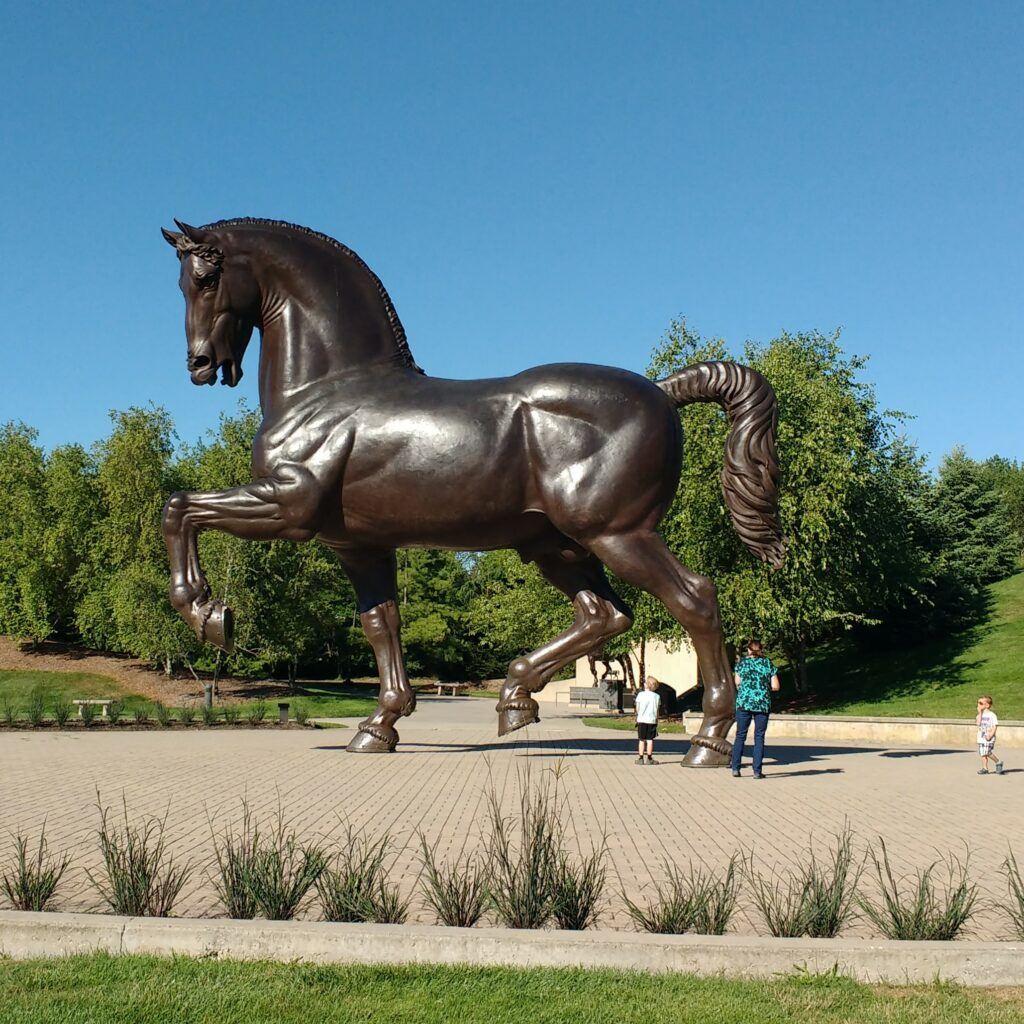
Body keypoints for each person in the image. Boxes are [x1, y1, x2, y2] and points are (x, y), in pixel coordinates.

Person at [730, 640, 780, 779]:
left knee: (740, 735)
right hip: (762, 704)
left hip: (744, 703)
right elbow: (776, 686)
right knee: (759, 737)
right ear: (761, 650)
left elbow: (737, 683)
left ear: (748, 650)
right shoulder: (767, 664)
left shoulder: (741, 664)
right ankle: (757, 771)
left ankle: (736, 768)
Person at [634, 675, 661, 765]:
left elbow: (637, 708)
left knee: (641, 739)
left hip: (641, 720)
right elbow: (657, 709)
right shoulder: (657, 696)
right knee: (650, 740)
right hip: (652, 720)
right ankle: (649, 758)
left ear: (647, 685)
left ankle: (640, 758)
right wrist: (657, 718)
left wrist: (639, 715)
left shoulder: (640, 695)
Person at [976, 696, 1005, 775]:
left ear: (987, 705)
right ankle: (985, 768)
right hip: (981, 737)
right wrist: (980, 713)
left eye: (981, 703)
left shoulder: (992, 715)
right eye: (978, 703)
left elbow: (995, 726)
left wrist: (991, 735)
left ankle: (998, 762)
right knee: (983, 753)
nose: (978, 705)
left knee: (987, 752)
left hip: (989, 737)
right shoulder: (979, 715)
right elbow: (978, 723)